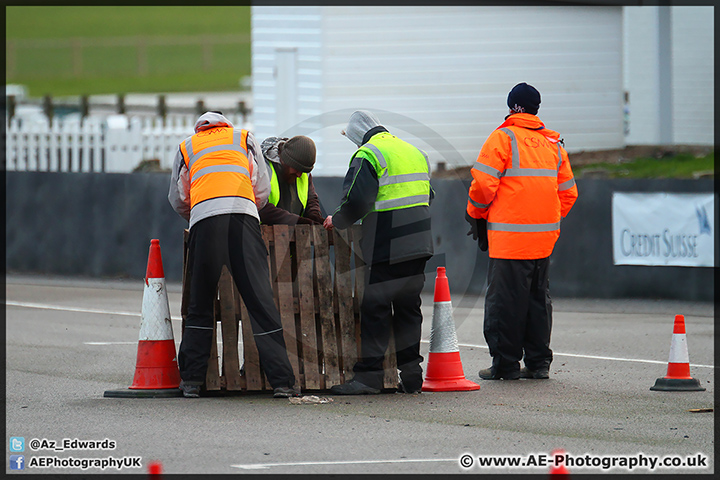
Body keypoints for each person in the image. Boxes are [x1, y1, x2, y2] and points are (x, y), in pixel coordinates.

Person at [168, 111, 300, 398]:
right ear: (225, 124)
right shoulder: (243, 138)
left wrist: (197, 213)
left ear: (200, 127)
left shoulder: (187, 146)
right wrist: (248, 207)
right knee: (260, 301)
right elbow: (261, 186)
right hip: (243, 219)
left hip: (204, 221)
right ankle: (283, 383)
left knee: (199, 301)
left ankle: (191, 382)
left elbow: (178, 196)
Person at [465, 83, 578, 380]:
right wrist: (546, 221)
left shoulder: (502, 138)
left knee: (505, 304)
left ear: (512, 106)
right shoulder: (553, 145)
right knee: (537, 302)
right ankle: (539, 364)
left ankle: (505, 365)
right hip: (543, 241)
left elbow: (482, 186)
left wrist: (476, 215)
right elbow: (568, 194)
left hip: (509, 241)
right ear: (536, 109)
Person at [324, 110, 434, 395]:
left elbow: (358, 199)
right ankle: (412, 376)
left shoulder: (369, 154)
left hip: (388, 242)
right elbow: (427, 195)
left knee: (376, 309)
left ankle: (369, 378)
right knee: (409, 309)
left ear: (357, 135)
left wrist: (336, 220)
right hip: (419, 241)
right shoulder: (412, 151)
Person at [258, 135, 326, 226]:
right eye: (296, 169)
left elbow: (311, 200)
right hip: (263, 236)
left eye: (304, 171)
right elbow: (260, 207)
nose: (299, 175)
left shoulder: (303, 172)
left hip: (296, 236)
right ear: (285, 161)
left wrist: (315, 218)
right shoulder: (263, 169)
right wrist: (299, 221)